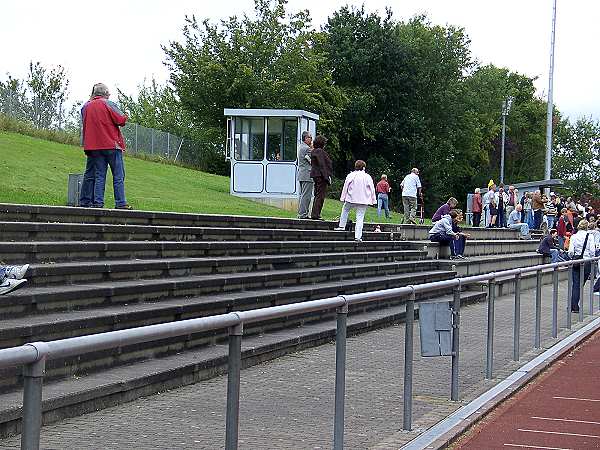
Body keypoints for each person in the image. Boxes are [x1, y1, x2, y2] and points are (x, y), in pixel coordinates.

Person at [80, 83, 132, 209]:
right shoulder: (108, 103)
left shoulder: (86, 106)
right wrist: (126, 115)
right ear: (104, 93)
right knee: (118, 175)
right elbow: (121, 120)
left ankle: (98, 202)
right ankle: (120, 203)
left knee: (99, 175)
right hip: (111, 145)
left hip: (94, 147)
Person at [334, 160, 377, 242]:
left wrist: (342, 197)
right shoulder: (367, 176)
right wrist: (373, 200)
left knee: (345, 209)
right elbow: (372, 188)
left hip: (351, 198)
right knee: (360, 217)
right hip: (363, 200)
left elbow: (345, 186)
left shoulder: (351, 175)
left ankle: (342, 226)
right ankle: (357, 236)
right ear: (364, 167)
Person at [568, 220, 596, 313]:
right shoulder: (590, 236)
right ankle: (575, 305)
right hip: (586, 261)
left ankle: (573, 305)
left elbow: (571, 251)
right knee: (581, 284)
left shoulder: (574, 236)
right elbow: (592, 251)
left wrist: (573, 257)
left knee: (575, 283)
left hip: (576, 260)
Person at [309, 135, 333, 220]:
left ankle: (315, 214)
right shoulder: (319, 152)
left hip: (317, 175)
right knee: (320, 195)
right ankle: (316, 214)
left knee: (318, 195)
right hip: (321, 176)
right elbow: (322, 165)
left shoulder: (315, 151)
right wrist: (326, 177)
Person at [296, 131, 313, 219]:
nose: (311, 139)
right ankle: (303, 214)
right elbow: (313, 161)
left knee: (303, 195)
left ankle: (301, 213)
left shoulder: (301, 147)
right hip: (307, 174)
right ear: (305, 138)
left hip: (302, 174)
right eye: (310, 137)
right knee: (306, 195)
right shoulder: (307, 148)